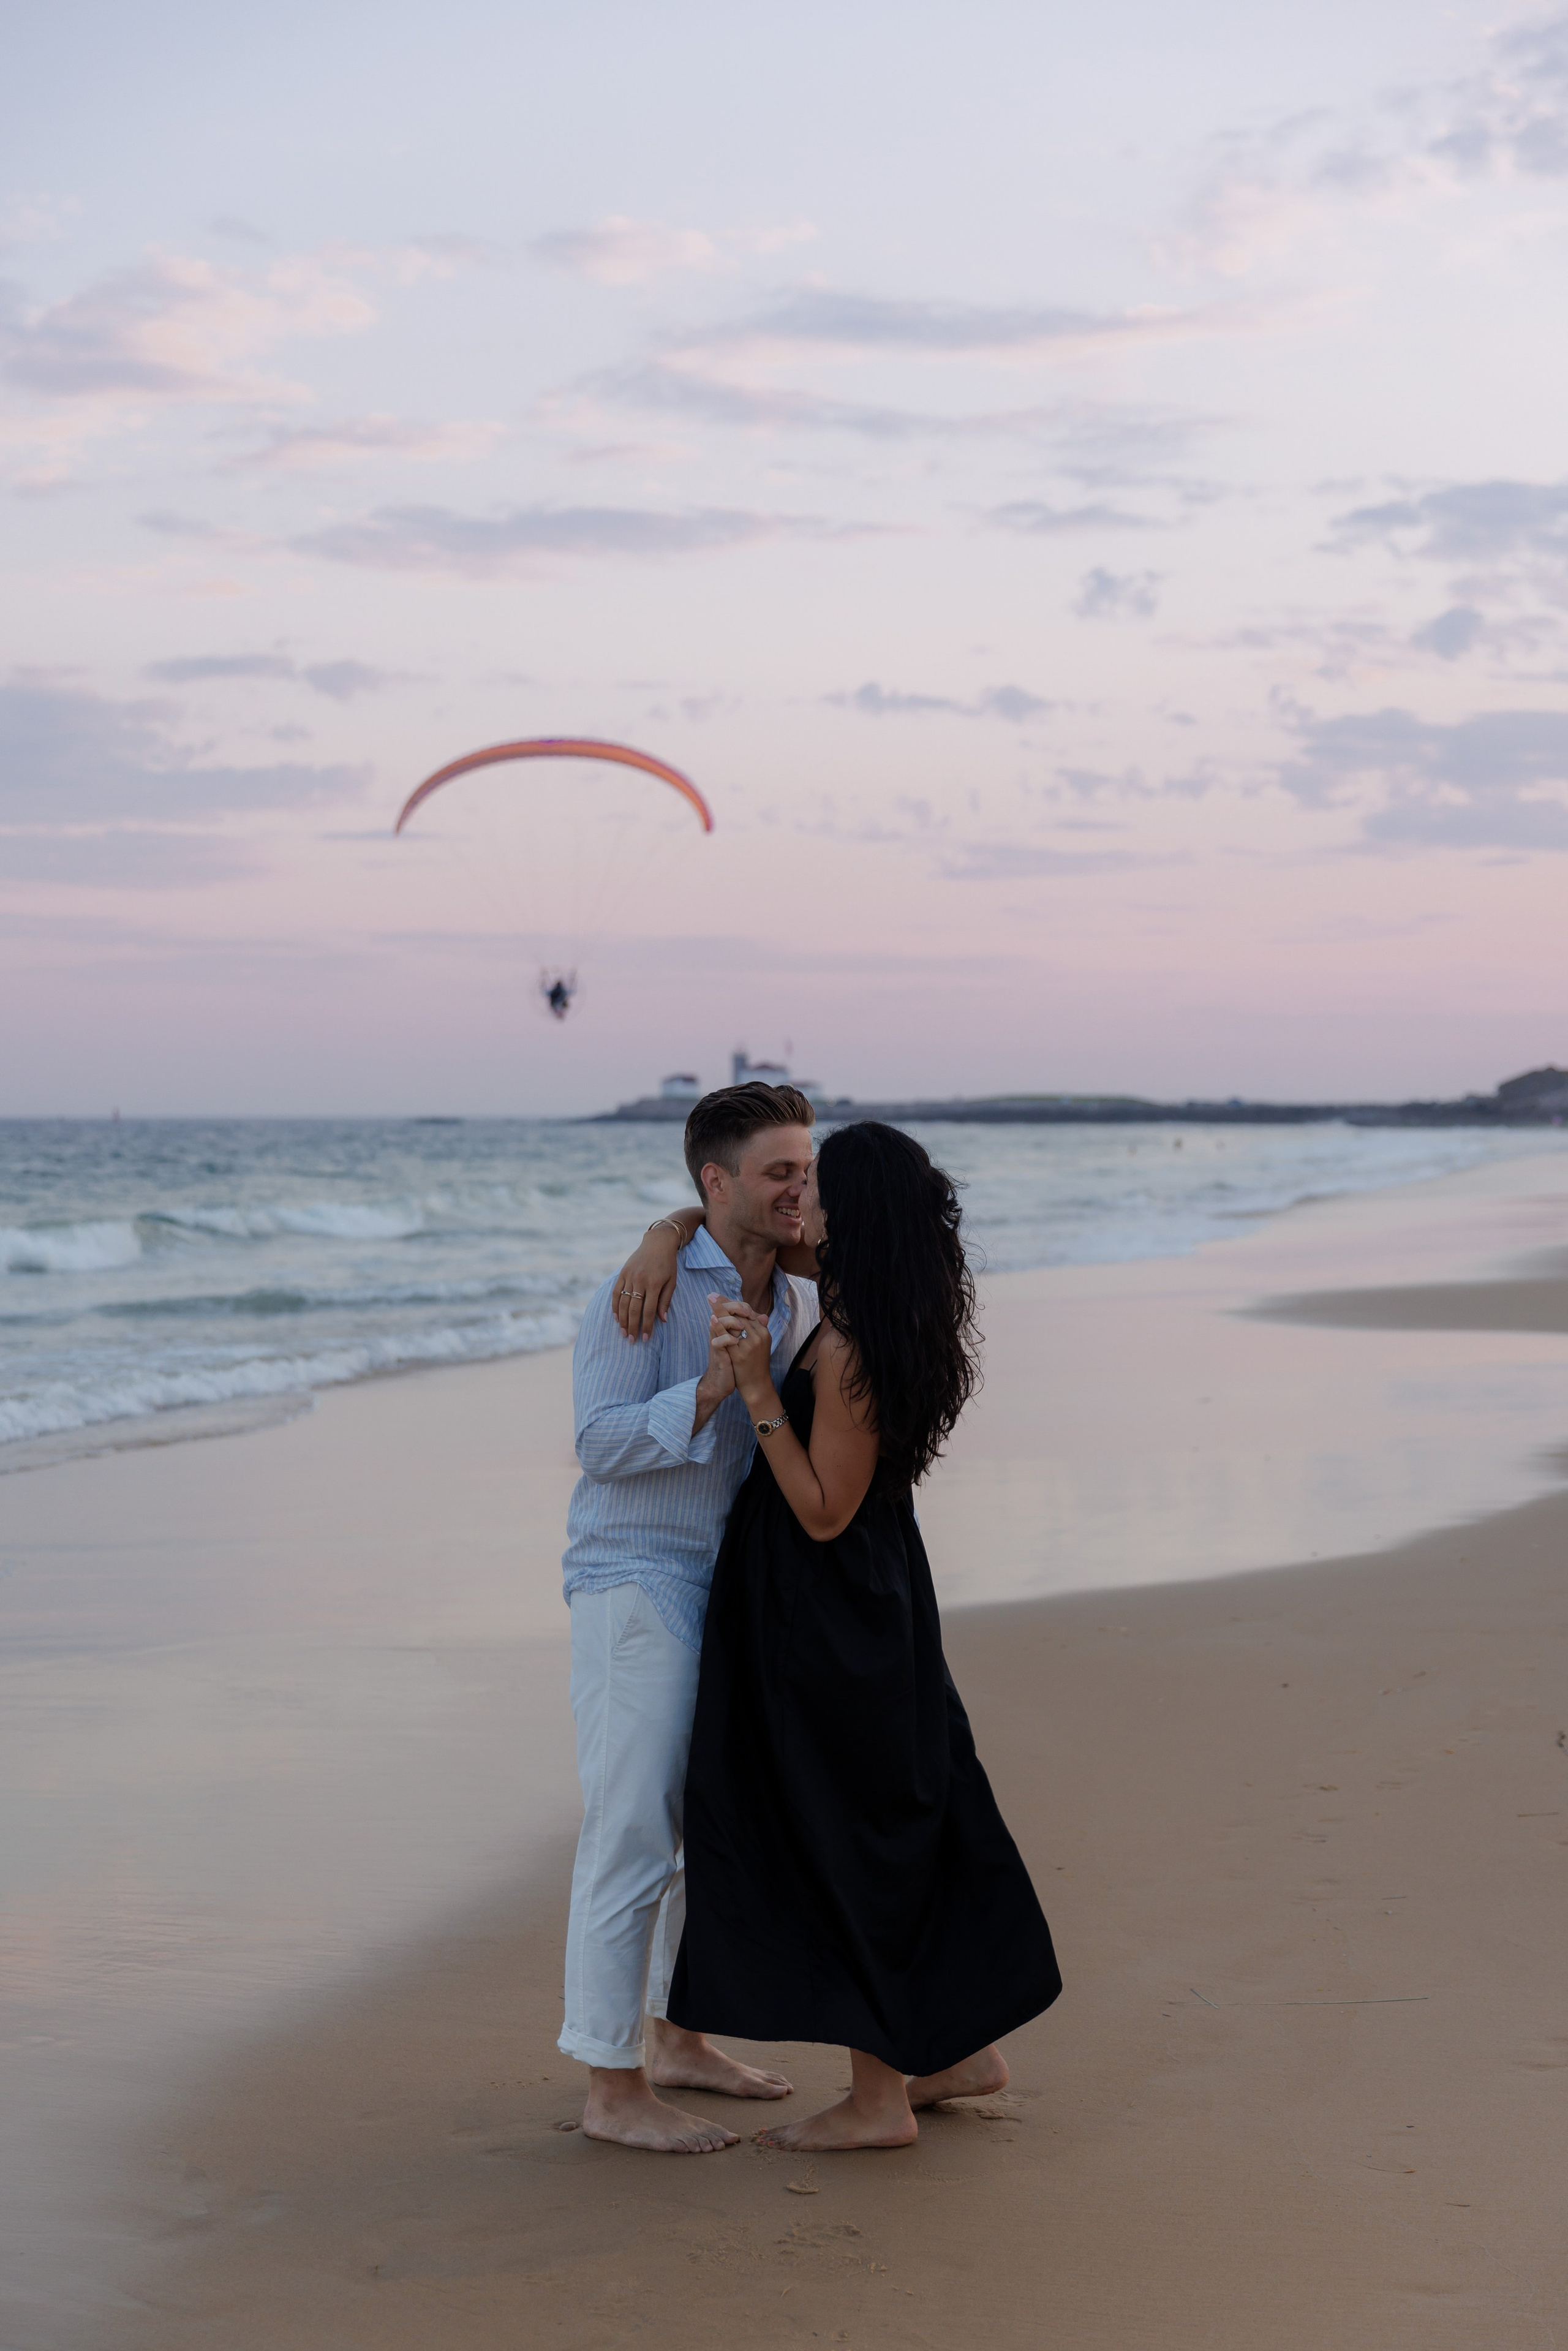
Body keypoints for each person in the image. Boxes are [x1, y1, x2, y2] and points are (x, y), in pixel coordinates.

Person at [633, 1120, 1061, 2151]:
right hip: (868, 1599)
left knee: (852, 1833)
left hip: (832, 1612)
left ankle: (878, 2100)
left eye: (815, 1185)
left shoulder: (856, 1340)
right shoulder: (876, 1307)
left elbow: (824, 1507)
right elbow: (736, 1219)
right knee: (908, 1817)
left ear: (851, 1212)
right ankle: (958, 2053)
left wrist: (754, 1393)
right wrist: (667, 1229)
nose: (799, 1200)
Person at [558, 1081, 820, 2152]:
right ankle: (610, 2085)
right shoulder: (646, 1293)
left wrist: (673, 1227)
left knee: (702, 1829)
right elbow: (599, 1444)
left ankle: (675, 2037)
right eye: (779, 1171)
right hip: (632, 1575)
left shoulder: (792, 1290)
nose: (801, 1187)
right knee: (630, 1826)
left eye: (808, 1167)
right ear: (718, 1183)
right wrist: (709, 1388)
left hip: (731, 1582)